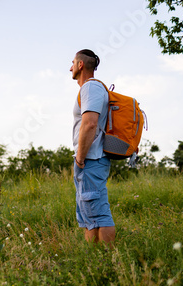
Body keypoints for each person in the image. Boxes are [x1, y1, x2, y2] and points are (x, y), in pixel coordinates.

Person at [70, 49, 115, 246]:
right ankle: (94, 260)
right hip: (90, 159)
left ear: (81, 65)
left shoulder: (91, 88)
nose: (70, 67)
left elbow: (90, 123)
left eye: (72, 62)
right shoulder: (90, 89)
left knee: (99, 214)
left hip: (91, 159)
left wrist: (80, 158)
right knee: (89, 215)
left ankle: (107, 262)